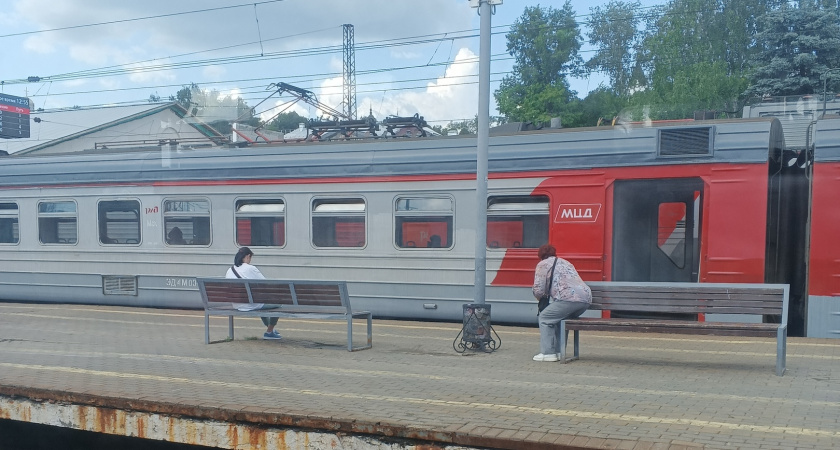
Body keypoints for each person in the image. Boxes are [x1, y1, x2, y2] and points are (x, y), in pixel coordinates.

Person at [531, 244, 591, 362]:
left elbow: (538, 289)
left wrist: (539, 298)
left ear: (540, 255)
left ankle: (548, 353)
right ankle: (558, 352)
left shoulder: (543, 264)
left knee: (545, 317)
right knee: (560, 320)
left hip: (568, 299)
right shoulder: (566, 262)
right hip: (586, 300)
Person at [225, 247, 281, 340]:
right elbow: (265, 284)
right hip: (249, 304)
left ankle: (269, 329)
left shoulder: (230, 270)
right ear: (248, 256)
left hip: (236, 304)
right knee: (278, 302)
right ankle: (269, 331)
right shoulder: (251, 268)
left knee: (260, 302)